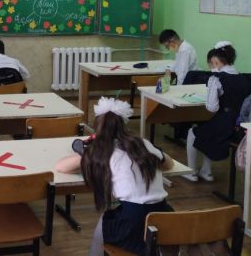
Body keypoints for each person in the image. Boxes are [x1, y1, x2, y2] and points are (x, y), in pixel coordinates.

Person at [56, 97, 174, 256]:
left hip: (133, 221)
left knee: (101, 230)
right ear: (123, 125)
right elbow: (169, 164)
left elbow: (61, 166)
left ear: (97, 128)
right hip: (163, 213)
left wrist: (87, 152)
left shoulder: (102, 151)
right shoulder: (143, 143)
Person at [183, 41, 246, 182]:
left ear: (215, 62)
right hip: (240, 126)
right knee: (209, 129)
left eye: (211, 64)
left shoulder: (216, 79)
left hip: (225, 125)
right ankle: (206, 171)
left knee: (193, 132)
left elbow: (212, 108)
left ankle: (191, 172)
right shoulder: (245, 77)